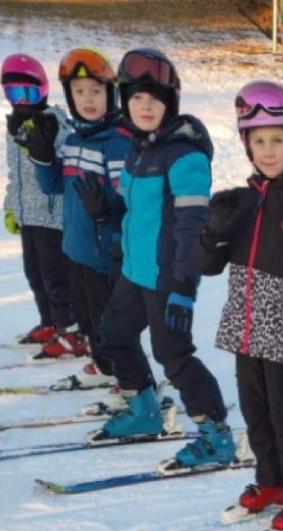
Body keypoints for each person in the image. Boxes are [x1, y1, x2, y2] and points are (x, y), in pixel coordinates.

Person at [194, 80, 283, 531]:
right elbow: (209, 265)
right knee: (256, 414)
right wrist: (213, 231)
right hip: (244, 328)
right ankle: (272, 481)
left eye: (277, 140)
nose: (268, 151)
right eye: (258, 142)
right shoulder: (244, 202)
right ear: (246, 145)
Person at [96, 48, 232, 461]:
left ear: (170, 104)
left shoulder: (185, 157)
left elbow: (193, 227)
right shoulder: (138, 149)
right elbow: (135, 209)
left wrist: (183, 288)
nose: (145, 106)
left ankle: (217, 435)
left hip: (167, 278)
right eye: (137, 97)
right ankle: (144, 409)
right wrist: (116, 234)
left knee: (173, 354)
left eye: (155, 99)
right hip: (136, 273)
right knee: (113, 336)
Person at [23, 47, 133, 384]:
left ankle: (124, 376)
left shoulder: (118, 142)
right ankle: (103, 365)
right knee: (85, 318)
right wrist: (43, 158)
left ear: (110, 94)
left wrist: (106, 214)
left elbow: (129, 202)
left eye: (96, 91)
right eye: (79, 92)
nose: (87, 99)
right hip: (75, 248)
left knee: (107, 321)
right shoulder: (72, 139)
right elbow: (56, 186)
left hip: (105, 255)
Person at [1, 53, 73, 355]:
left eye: (28, 93)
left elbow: (68, 164)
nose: (21, 100)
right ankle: (49, 322)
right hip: (28, 214)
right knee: (34, 272)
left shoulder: (53, 123)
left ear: (42, 90)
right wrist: (11, 207)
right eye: (14, 93)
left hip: (51, 214)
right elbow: (14, 172)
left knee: (56, 275)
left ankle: (68, 329)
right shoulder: (14, 128)